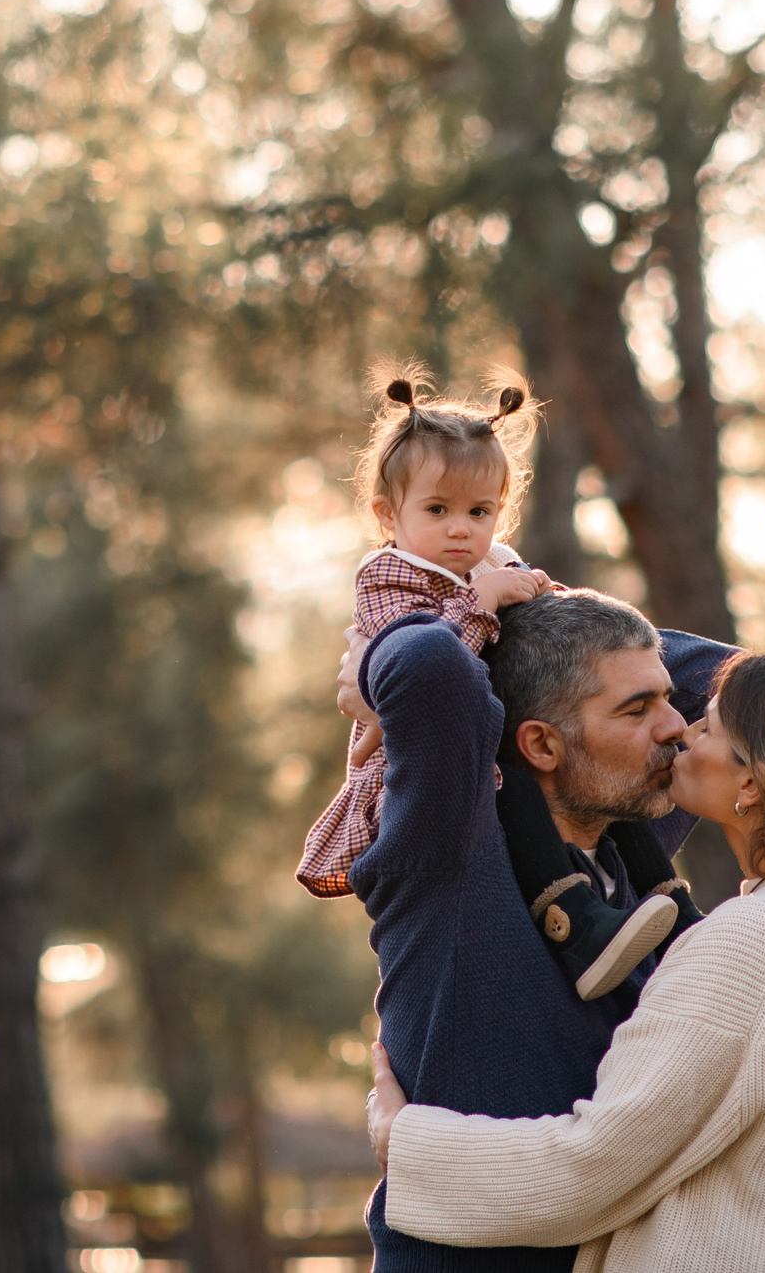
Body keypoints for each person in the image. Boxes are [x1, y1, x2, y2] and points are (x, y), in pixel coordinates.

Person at [366, 652, 765, 1273]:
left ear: (752, 784)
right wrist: (497, 611)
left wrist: (404, 1142)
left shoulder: (752, 941)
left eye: (705, 726)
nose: (680, 729)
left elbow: (593, 1166)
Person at [343, 588, 728, 1273]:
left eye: (663, 698)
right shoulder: (451, 848)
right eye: (636, 708)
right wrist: (465, 601)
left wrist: (540, 594)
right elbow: (430, 664)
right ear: (542, 744)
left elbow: (729, 680)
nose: (676, 725)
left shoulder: (632, 851)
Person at [295, 370, 692, 997]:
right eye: (438, 510)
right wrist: (482, 602)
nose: (461, 529)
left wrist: (540, 596)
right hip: (425, 774)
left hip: (495, 746)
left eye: (479, 512)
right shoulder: (389, 579)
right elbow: (425, 669)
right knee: (514, 797)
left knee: (613, 766)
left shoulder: (493, 563)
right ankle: (574, 920)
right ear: (386, 513)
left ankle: (668, 907)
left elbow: (565, 624)